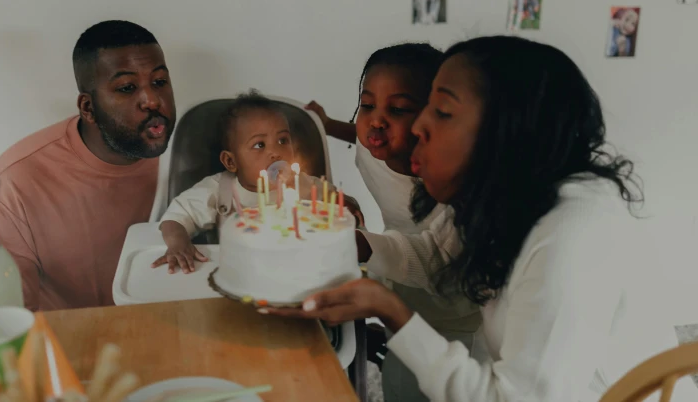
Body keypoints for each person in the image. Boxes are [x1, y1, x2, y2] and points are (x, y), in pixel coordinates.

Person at [270, 36, 693, 401]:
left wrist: (394, 311)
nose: (419, 128)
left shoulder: (572, 233)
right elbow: (436, 249)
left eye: (442, 111)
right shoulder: (508, 199)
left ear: (505, 130)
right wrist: (360, 244)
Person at [306, 43, 481, 402]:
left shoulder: (455, 183)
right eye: (367, 104)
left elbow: (438, 259)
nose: (376, 120)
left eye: (398, 109)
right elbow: (359, 133)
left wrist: (363, 245)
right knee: (399, 383)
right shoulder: (376, 146)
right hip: (398, 284)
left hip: (456, 311)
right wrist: (325, 125)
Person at [0, 20, 176, 312]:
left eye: (160, 82)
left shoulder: (191, 153)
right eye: (127, 87)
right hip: (73, 347)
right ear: (88, 107)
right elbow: (6, 317)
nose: (152, 100)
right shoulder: (14, 184)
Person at [152, 90, 360, 274]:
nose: (275, 152)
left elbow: (339, 204)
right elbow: (175, 219)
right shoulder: (218, 191)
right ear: (231, 161)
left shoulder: (301, 185)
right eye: (260, 144)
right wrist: (178, 244)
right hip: (235, 276)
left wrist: (347, 206)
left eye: (282, 141)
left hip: (294, 273)